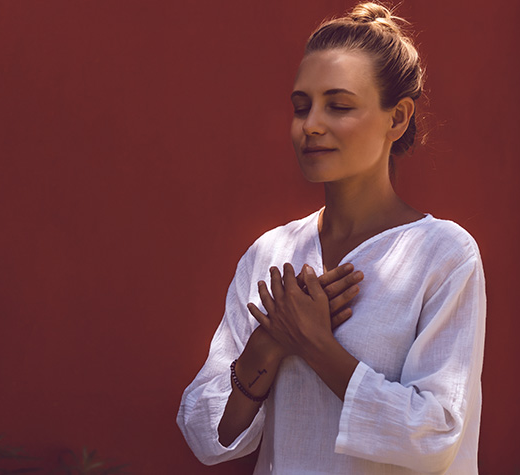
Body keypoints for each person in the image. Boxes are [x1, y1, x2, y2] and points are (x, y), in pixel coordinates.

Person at [176, 3, 486, 473]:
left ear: (397, 118)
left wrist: (315, 343)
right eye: (302, 107)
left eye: (338, 106)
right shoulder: (272, 254)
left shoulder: (443, 254)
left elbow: (436, 436)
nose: (311, 125)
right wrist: (266, 344)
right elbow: (207, 436)